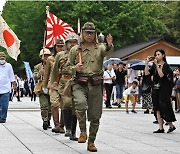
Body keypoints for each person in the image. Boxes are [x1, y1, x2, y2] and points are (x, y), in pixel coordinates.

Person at [67, 22, 113, 152]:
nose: (89, 35)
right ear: (82, 33)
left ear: (95, 34)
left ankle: (91, 141)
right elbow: (67, 67)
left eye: (91, 32)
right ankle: (82, 131)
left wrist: (109, 45)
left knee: (95, 116)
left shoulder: (100, 48)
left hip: (95, 83)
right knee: (80, 104)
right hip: (79, 83)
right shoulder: (75, 50)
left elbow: (107, 51)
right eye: (86, 32)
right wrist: (75, 68)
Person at [50, 33, 79, 141]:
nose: (72, 44)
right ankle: (67, 127)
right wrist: (53, 82)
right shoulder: (60, 55)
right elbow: (55, 70)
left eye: (74, 42)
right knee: (66, 103)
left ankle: (73, 131)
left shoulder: (80, 54)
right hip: (64, 82)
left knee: (75, 108)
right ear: (66, 44)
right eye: (70, 42)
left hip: (76, 81)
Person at [145, 49, 176, 133]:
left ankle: (171, 125)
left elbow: (161, 75)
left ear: (163, 55)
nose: (157, 56)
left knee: (164, 107)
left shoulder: (166, 66)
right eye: (156, 54)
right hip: (155, 88)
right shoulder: (154, 65)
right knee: (157, 108)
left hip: (164, 89)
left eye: (158, 54)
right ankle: (161, 127)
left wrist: (157, 65)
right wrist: (147, 63)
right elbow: (147, 73)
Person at [43, 39, 65, 134]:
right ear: (55, 47)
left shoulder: (67, 57)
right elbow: (47, 73)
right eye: (58, 46)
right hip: (53, 83)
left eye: (61, 46)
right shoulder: (50, 59)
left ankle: (62, 125)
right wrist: (44, 86)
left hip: (64, 84)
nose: (60, 48)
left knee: (65, 104)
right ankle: (56, 124)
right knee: (54, 103)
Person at [33, 48, 51, 130]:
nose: (46, 57)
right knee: (44, 106)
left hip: (51, 87)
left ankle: (49, 119)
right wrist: (39, 74)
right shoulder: (38, 67)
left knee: (51, 106)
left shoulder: (53, 65)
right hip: (42, 87)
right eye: (44, 56)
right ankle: (45, 119)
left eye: (48, 55)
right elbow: (34, 77)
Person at [0, 52, 16, 123]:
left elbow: (12, 76)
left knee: (4, 105)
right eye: (0, 57)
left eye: (3, 57)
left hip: (6, 88)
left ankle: (3, 117)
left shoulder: (8, 66)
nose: (2, 59)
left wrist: (14, 84)